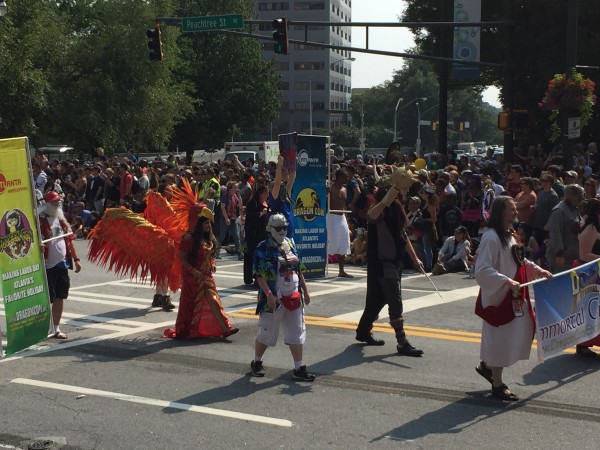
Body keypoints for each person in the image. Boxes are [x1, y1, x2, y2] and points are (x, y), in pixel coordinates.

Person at [474, 196, 552, 401]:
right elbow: (482, 270)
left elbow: (519, 259)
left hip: (513, 295)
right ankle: (497, 385)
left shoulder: (508, 235)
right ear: (500, 212)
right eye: (512, 209)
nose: (516, 212)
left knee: (520, 330)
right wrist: (506, 281)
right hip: (499, 297)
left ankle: (488, 366)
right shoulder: (490, 237)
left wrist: (538, 270)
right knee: (499, 340)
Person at [355, 169, 426, 357]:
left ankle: (363, 331)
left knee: (378, 299)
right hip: (383, 263)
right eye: (397, 191)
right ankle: (402, 341)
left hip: (395, 262)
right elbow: (371, 216)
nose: (401, 194)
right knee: (394, 301)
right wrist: (390, 194)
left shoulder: (396, 208)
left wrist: (414, 258)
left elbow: (403, 235)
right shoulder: (379, 208)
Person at [250, 214, 315, 381]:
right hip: (274, 297)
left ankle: (299, 367)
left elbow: (298, 269)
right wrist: (269, 295)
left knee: (297, 331)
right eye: (278, 228)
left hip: (293, 295)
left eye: (284, 227)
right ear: (270, 229)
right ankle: (257, 361)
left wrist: (305, 291)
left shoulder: (291, 243)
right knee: (267, 332)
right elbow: (259, 274)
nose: (282, 231)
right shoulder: (262, 248)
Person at [165, 205, 239, 339]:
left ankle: (225, 329)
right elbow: (181, 257)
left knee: (213, 300)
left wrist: (212, 263)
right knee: (191, 305)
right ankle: (189, 330)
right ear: (198, 224)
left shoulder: (207, 237)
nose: (208, 225)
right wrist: (193, 271)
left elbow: (208, 255)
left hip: (206, 275)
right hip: (192, 278)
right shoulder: (188, 238)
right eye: (205, 222)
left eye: (209, 223)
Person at [39, 190, 82, 340]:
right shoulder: (39, 221)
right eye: (54, 203)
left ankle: (56, 328)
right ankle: (41, 329)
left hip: (62, 264)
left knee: (60, 296)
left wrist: (76, 259)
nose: (57, 205)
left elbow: (69, 241)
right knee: (45, 299)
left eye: (58, 202)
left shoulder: (62, 220)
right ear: (46, 204)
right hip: (46, 266)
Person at [573, 198, 600, 356]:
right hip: (587, 273)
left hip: (595, 271)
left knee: (596, 310)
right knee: (588, 309)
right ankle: (583, 344)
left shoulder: (595, 227)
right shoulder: (590, 229)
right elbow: (583, 254)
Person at [546, 184, 584, 273]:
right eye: (580, 196)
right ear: (571, 196)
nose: (582, 198)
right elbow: (555, 234)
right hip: (561, 257)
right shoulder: (559, 211)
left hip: (572, 254)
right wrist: (559, 254)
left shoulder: (574, 209)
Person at [327, 168, 353, 278]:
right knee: (331, 242)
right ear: (338, 177)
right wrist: (326, 193)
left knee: (344, 242)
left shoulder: (344, 189)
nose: (347, 178)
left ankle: (341, 270)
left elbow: (344, 206)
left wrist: (347, 223)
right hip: (332, 217)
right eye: (345, 176)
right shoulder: (330, 188)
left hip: (342, 217)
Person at [243, 185, 270, 284]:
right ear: (260, 193)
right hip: (253, 234)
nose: (267, 195)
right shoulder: (252, 203)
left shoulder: (266, 203)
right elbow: (250, 218)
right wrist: (261, 213)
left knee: (262, 256)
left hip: (263, 233)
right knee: (252, 255)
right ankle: (253, 277)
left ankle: (261, 276)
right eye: (266, 193)